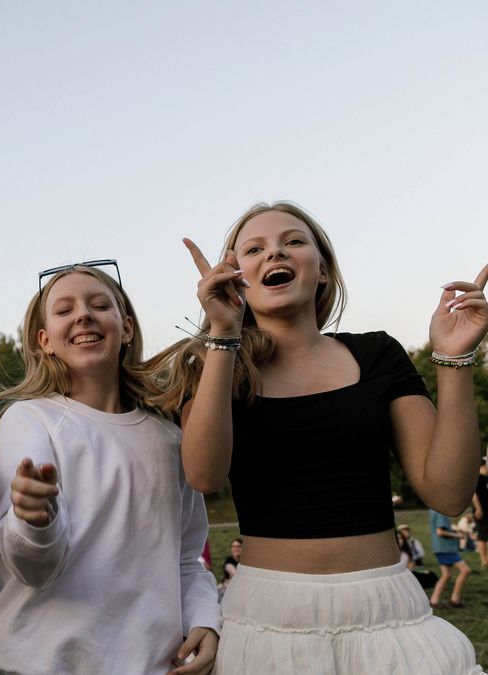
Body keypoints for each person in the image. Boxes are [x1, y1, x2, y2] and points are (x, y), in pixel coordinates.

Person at [168, 201, 486, 673]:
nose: (275, 253)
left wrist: (453, 359)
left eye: (293, 242)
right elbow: (203, 473)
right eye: (254, 249)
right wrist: (223, 336)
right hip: (265, 619)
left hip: (389, 613)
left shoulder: (378, 353)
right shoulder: (218, 365)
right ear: (236, 277)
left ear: (322, 270)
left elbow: (448, 492)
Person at [0, 262, 220, 675]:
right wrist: (36, 520)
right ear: (44, 341)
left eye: (98, 304)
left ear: (126, 328)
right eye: (64, 309)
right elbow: (33, 567)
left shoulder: (169, 438)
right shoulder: (29, 419)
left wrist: (204, 619)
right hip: (35, 666)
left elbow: (187, 558)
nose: (83, 314)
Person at [430, 509, 473, 608]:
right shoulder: (441, 511)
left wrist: (453, 528)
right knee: (465, 570)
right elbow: (440, 532)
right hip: (446, 548)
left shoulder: (433, 510)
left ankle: (434, 601)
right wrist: (457, 535)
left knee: (446, 575)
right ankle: (455, 599)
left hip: (439, 548)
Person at [475, 457, 488, 567]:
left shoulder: (485, 478)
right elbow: (473, 495)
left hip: (486, 510)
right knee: (482, 535)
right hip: (481, 511)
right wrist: (478, 508)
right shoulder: (477, 479)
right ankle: (484, 560)